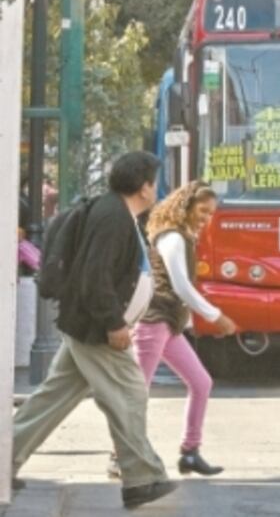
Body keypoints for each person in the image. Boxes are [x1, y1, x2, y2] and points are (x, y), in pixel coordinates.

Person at [10, 151, 177, 509]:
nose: (156, 188)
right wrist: (114, 323)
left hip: (86, 324)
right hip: (96, 327)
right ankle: (141, 477)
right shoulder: (113, 217)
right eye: (153, 181)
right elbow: (94, 277)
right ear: (143, 186)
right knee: (130, 393)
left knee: (51, 398)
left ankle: (4, 460)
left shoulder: (115, 211)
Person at [107, 181, 238, 479]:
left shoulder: (184, 236)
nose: (206, 218)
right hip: (153, 323)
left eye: (211, 213)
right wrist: (215, 316)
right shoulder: (173, 238)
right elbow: (180, 285)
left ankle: (190, 452)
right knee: (137, 393)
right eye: (202, 211)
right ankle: (119, 456)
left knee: (201, 382)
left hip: (169, 324)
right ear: (185, 206)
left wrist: (188, 322)